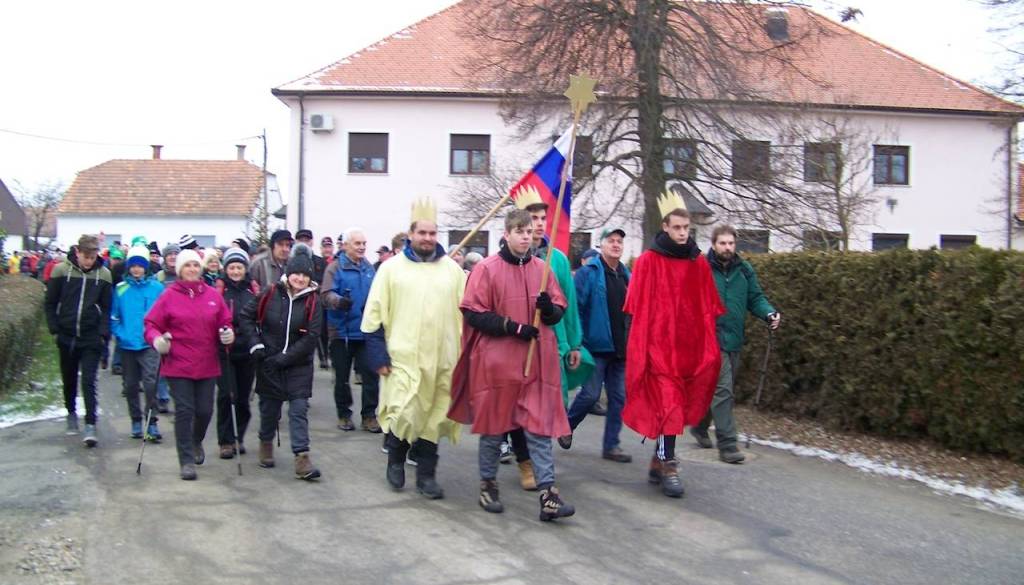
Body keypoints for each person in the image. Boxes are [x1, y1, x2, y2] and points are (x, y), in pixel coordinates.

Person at [450, 210, 576, 521]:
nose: (525, 236)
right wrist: (513, 327)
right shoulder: (486, 269)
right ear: (506, 234)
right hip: (497, 364)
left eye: (529, 231)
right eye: (519, 231)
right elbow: (474, 313)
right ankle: (488, 484)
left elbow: (558, 311)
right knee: (494, 428)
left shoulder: (542, 270)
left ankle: (548, 494)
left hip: (535, 365)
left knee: (539, 429)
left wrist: (549, 310)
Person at [361, 198, 466, 499]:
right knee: (405, 413)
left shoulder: (452, 271)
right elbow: (374, 314)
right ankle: (395, 460)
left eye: (432, 233)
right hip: (403, 359)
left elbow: (467, 312)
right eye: (422, 233)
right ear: (410, 234)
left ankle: (426, 475)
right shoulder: (391, 269)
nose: (427, 238)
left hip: (443, 360)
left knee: (435, 417)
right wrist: (378, 355)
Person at [622, 192, 724, 498]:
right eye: (677, 227)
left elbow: (706, 307)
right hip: (658, 349)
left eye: (686, 228)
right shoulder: (648, 261)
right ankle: (669, 464)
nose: (682, 233)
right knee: (669, 402)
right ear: (665, 227)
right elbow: (636, 309)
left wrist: (707, 344)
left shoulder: (698, 262)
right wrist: (639, 348)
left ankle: (658, 459)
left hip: (687, 349)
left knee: (675, 405)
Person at [503, 188, 592, 490]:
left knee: (545, 406)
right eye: (533, 218)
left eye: (543, 218)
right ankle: (525, 461)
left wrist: (574, 344)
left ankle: (541, 464)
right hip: (518, 345)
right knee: (519, 407)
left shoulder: (558, 260)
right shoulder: (504, 261)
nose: (540, 223)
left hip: (552, 344)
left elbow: (569, 306)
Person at [691, 225, 780, 464]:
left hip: (734, 339)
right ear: (713, 244)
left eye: (731, 243)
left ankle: (699, 426)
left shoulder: (744, 270)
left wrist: (769, 313)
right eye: (723, 243)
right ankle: (728, 445)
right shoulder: (701, 268)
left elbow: (755, 298)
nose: (727, 248)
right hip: (709, 339)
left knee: (715, 389)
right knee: (723, 390)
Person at [144, 249, 234, 480]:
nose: (192, 269)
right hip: (178, 363)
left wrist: (227, 334)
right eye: (187, 266)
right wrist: (157, 340)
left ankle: (196, 441)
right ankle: (186, 461)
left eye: (195, 265)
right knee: (184, 411)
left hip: (207, 363)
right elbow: (151, 324)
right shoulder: (168, 295)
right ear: (179, 270)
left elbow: (225, 321)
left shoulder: (213, 295)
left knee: (205, 411)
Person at [240, 243, 323, 480]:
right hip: (268, 362)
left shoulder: (313, 301)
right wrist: (256, 345)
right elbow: (246, 317)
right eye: (296, 273)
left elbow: (312, 337)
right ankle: (266, 442)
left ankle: (302, 457)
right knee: (269, 409)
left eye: (305, 275)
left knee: (298, 410)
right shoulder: (270, 293)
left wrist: (286, 358)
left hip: (298, 365)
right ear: (289, 273)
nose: (300, 278)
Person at [559, 227, 632, 463]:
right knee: (590, 395)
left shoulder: (627, 275)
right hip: (595, 347)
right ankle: (567, 426)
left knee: (618, 399)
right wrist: (577, 343)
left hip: (620, 349)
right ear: (601, 245)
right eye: (611, 240)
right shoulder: (588, 273)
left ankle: (611, 446)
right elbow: (576, 309)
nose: (616, 244)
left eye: (619, 241)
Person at [45, 235, 112, 447]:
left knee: (89, 381)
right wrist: (54, 328)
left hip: (91, 336)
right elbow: (50, 302)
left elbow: (107, 307)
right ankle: (71, 411)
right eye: (86, 257)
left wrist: (103, 333)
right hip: (66, 334)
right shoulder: (61, 271)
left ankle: (91, 423)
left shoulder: (104, 275)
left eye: (92, 257)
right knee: (69, 377)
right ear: (78, 253)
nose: (89, 261)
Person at [322, 228, 381, 433]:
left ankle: (369, 416)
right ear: (346, 245)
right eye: (357, 243)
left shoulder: (369, 268)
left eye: (364, 243)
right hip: (341, 332)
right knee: (342, 377)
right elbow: (325, 294)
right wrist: (339, 301)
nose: (362, 247)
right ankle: (344, 414)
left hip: (366, 331)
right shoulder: (334, 268)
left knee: (371, 376)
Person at [110, 246, 165, 442]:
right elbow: (114, 317)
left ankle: (152, 421)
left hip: (149, 344)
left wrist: (159, 334)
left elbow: (164, 314)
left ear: (146, 267)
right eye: (133, 266)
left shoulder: (157, 288)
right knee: (131, 385)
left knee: (151, 384)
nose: (136, 269)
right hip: (127, 345)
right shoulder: (120, 288)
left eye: (140, 266)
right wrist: (121, 335)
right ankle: (135, 420)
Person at [215, 247, 260, 459]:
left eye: (239, 267)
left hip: (247, 350)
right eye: (231, 267)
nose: (235, 271)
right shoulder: (219, 290)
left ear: (245, 269)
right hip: (224, 350)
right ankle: (225, 440)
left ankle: (238, 437)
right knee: (227, 395)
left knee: (242, 398)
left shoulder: (253, 290)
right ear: (226, 269)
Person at [317, 236, 335, 369]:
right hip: (321, 301)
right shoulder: (317, 262)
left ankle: (332, 355)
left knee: (332, 330)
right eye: (325, 247)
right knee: (321, 330)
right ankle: (323, 357)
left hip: (333, 301)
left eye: (329, 247)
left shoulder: (336, 263)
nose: (327, 249)